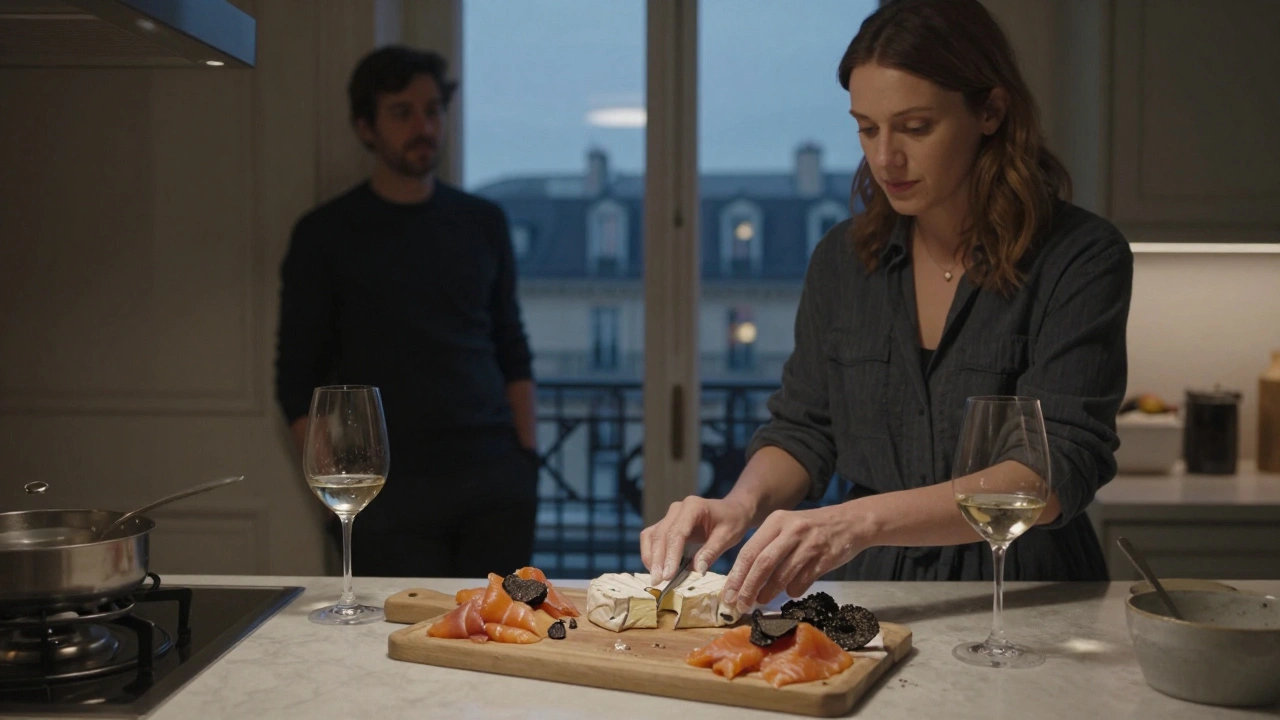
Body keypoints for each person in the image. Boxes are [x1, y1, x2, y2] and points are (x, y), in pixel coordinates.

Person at [641, 0, 1132, 611]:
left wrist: (854, 522)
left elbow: (1053, 467)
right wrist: (739, 505)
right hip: (878, 587)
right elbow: (804, 429)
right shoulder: (843, 260)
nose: (885, 157)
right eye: (867, 128)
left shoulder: (1080, 257)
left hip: (1029, 583)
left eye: (916, 127)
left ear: (991, 111)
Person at [274, 46, 540, 578]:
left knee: (502, 645)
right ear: (366, 127)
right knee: (392, 648)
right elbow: (296, 377)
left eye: (433, 110)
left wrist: (526, 462)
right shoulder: (324, 234)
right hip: (387, 494)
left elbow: (512, 347)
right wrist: (338, 497)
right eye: (402, 112)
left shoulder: (482, 221)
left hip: (494, 483)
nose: (424, 126)